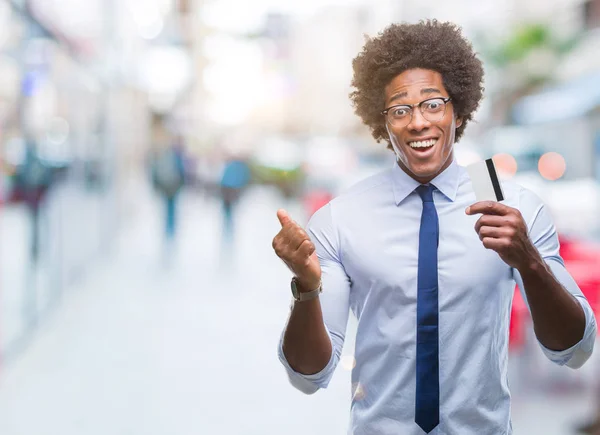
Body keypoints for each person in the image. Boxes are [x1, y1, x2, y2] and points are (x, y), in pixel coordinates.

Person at [272, 20, 597, 435]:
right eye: (400, 109)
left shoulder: (509, 206)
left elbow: (575, 350)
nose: (418, 122)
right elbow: (308, 375)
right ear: (383, 122)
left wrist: (529, 262)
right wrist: (307, 287)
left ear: (457, 110)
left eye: (432, 104)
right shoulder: (341, 218)